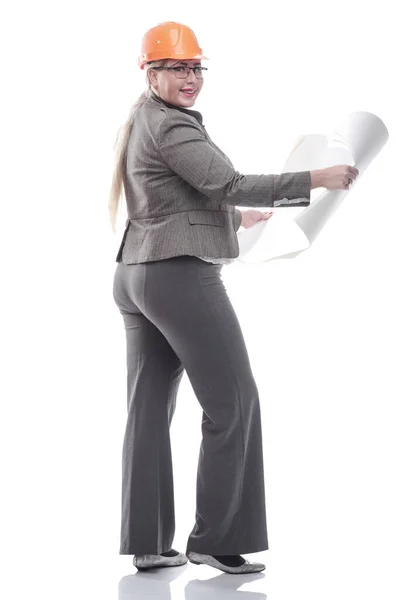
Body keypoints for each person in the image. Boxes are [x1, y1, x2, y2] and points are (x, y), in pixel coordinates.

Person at [110, 21, 359, 575]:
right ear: (150, 72)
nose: (190, 77)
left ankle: (148, 544)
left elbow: (172, 199)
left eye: (196, 67)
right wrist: (317, 177)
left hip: (136, 272)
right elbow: (226, 182)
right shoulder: (172, 127)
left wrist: (235, 219)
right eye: (176, 68)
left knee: (148, 409)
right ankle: (216, 539)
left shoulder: (144, 121)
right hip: (176, 277)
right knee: (235, 402)